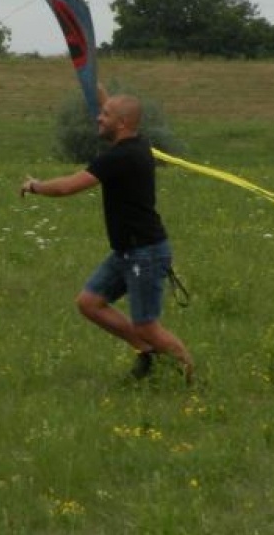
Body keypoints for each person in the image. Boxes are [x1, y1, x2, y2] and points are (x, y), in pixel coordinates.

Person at [20, 92, 194, 383]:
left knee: (147, 325)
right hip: (127, 251)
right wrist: (94, 83)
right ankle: (148, 354)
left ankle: (191, 379)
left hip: (144, 253)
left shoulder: (120, 157)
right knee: (89, 303)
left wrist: (35, 186)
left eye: (105, 114)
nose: (98, 118)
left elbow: (67, 187)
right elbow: (118, 107)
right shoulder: (138, 143)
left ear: (123, 123)